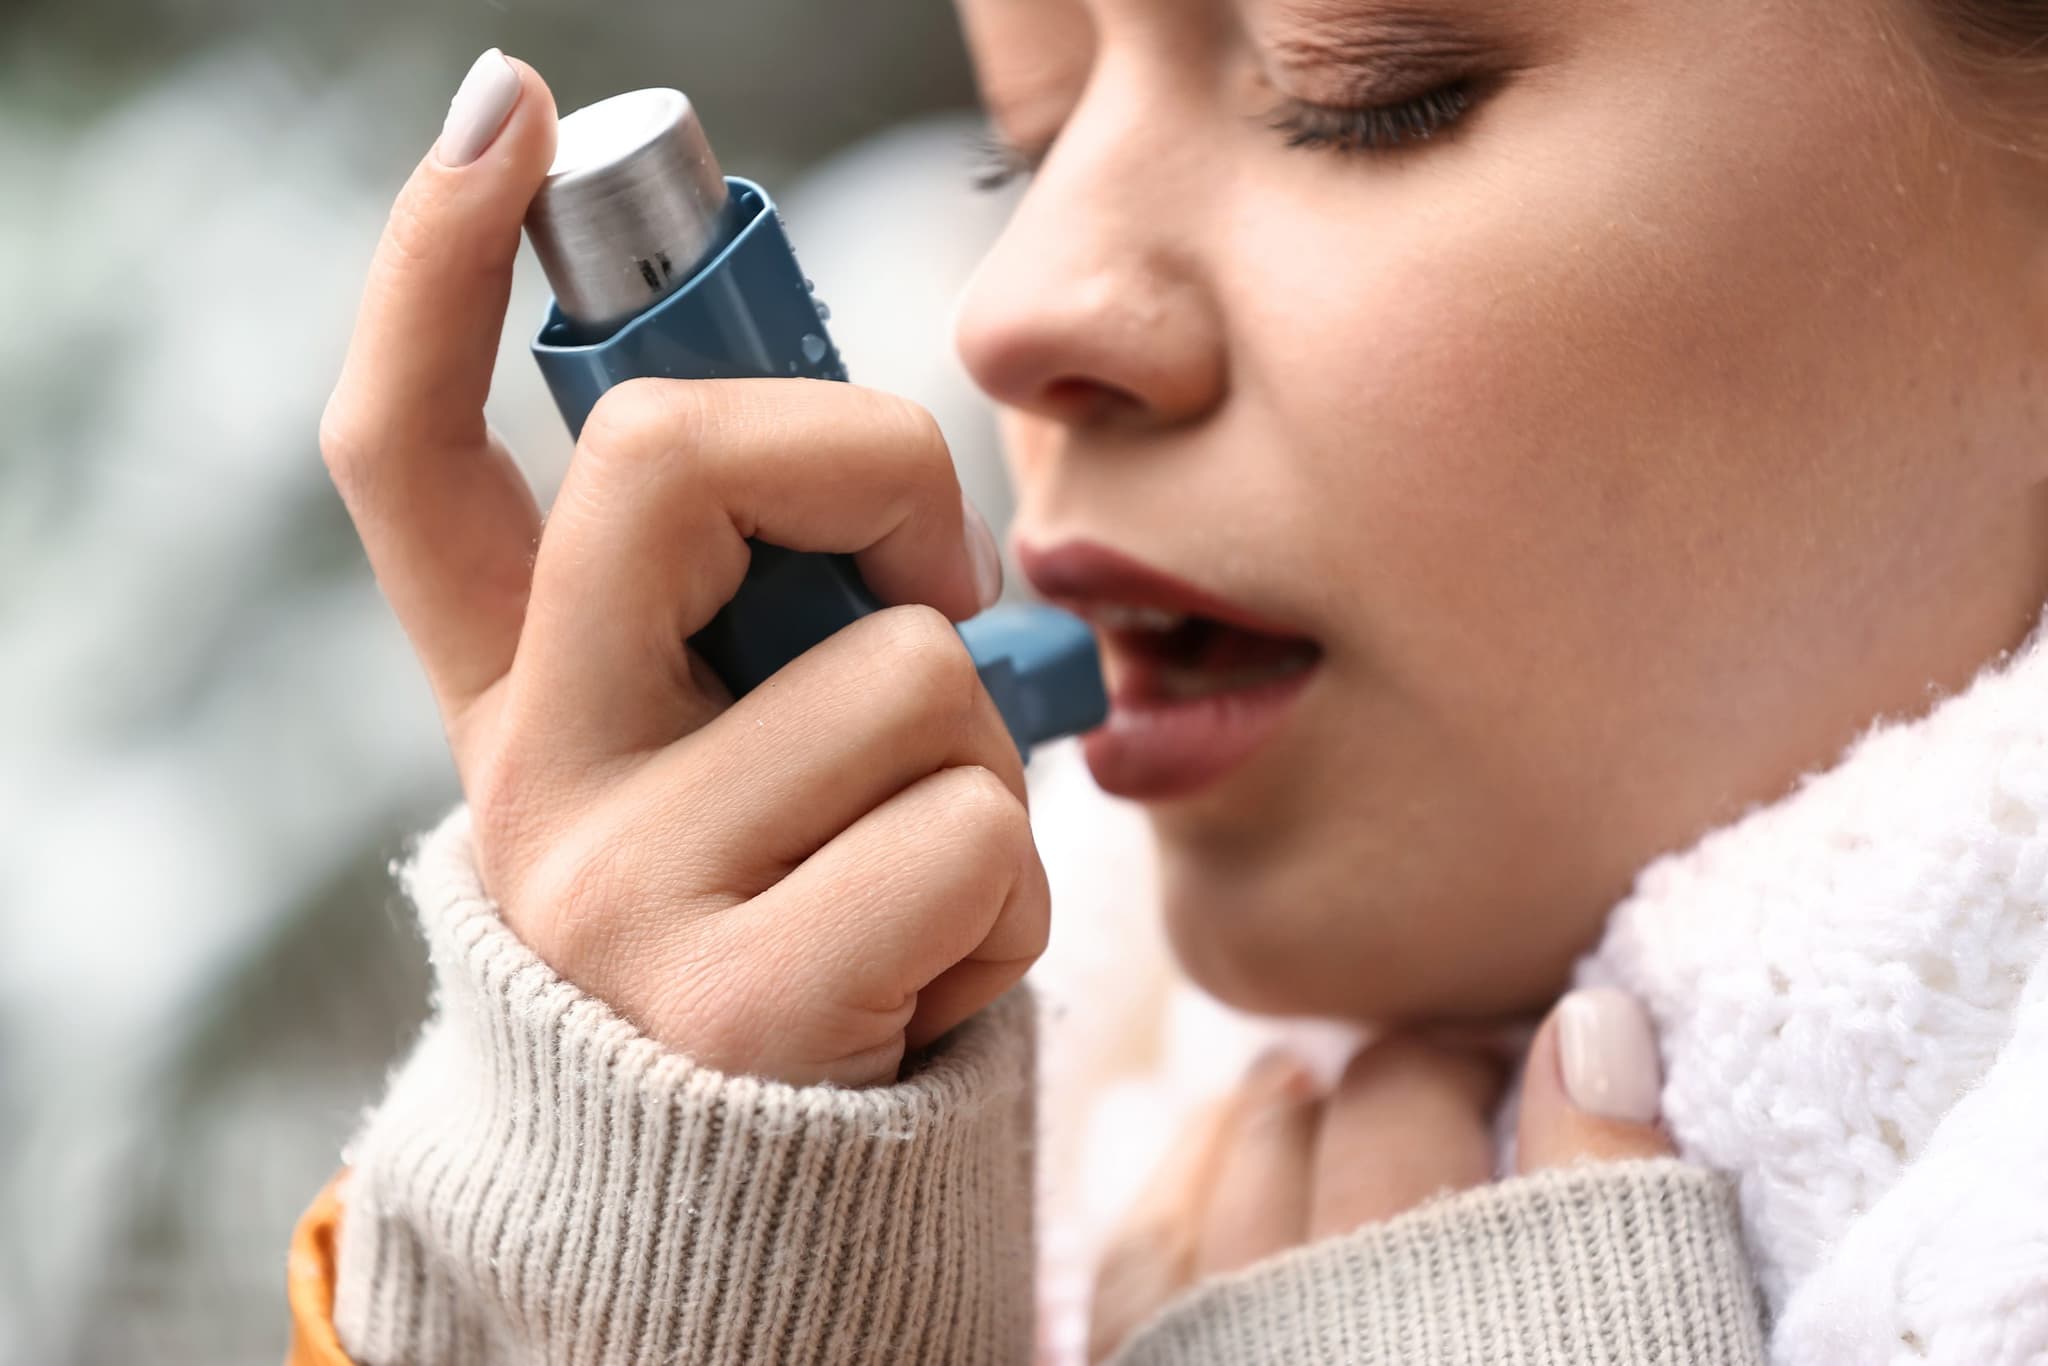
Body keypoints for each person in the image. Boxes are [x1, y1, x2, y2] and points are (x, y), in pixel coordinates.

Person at [289, 0, 2048, 1357]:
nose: (1011, 310)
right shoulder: (929, 1072)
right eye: (1025, 142)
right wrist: (628, 1266)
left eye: (1361, 84)